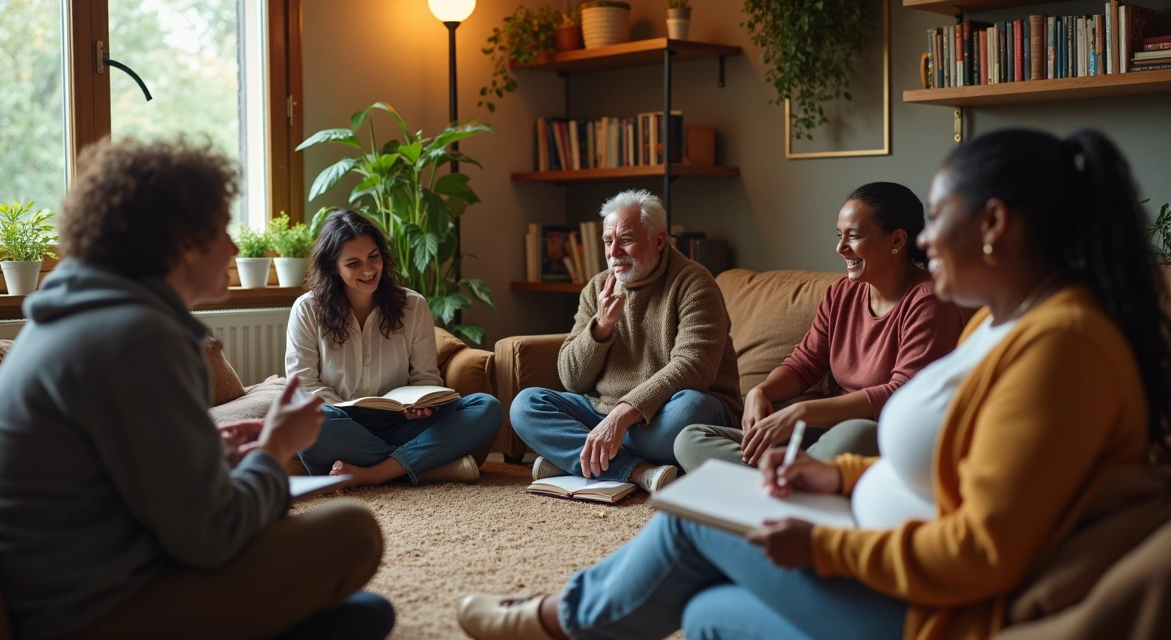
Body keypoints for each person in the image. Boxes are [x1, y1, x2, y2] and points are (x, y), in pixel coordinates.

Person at [457, 128, 1171, 640]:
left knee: (693, 516)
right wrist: (844, 480)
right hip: (892, 543)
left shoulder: (1063, 347)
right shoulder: (1004, 323)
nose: (923, 239)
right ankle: (590, 587)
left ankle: (559, 616)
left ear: (993, 224)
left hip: (937, 612)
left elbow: (981, 553)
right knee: (705, 614)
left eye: (937, 218)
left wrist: (821, 544)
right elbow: (961, 470)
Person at [0, 138, 394, 640]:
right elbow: (211, 537)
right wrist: (275, 450)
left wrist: (204, 457)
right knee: (351, 533)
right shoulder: (139, 339)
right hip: (84, 612)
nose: (233, 249)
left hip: (63, 587)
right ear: (183, 242)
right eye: (223, 231)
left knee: (360, 613)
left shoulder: (80, 316)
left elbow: (122, 478)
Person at [675, 182, 966, 472]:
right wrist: (759, 392)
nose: (840, 247)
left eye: (854, 236)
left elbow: (900, 393)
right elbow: (805, 363)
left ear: (897, 240)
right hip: (825, 435)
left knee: (856, 434)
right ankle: (793, 478)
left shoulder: (929, 300)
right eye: (840, 235)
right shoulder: (842, 292)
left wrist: (804, 412)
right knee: (689, 439)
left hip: (881, 435)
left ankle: (779, 477)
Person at [511, 189, 742, 494]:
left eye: (626, 239)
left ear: (658, 241)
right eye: (608, 241)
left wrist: (622, 416)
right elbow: (571, 379)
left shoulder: (694, 283)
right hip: (603, 412)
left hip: (668, 413)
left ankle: (582, 457)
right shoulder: (597, 288)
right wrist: (601, 327)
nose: (614, 251)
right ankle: (637, 470)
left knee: (689, 411)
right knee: (525, 406)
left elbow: (693, 367)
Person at [286, 209, 502, 486]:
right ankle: (421, 466)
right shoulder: (307, 309)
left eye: (373, 257)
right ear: (332, 267)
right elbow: (304, 385)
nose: (368, 270)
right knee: (306, 421)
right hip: (340, 422)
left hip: (402, 423)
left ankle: (376, 473)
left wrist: (421, 405)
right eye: (353, 263)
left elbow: (425, 378)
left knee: (487, 407)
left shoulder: (413, 305)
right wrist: (344, 409)